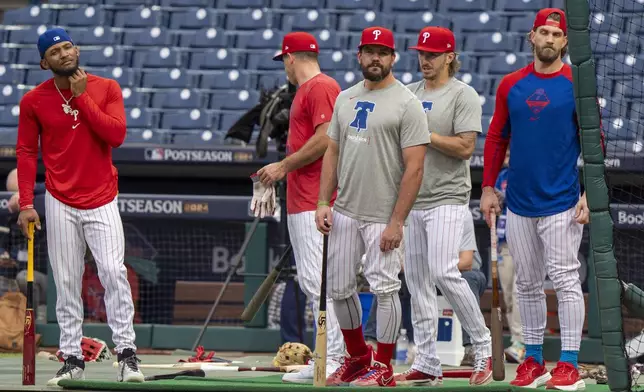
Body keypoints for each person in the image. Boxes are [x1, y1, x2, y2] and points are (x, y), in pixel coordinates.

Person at [15, 28, 144, 386]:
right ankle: (72, 357)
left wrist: (82, 98)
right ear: (44, 62)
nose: (64, 53)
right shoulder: (33, 100)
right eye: (55, 51)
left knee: (113, 273)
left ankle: (127, 355)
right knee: (67, 279)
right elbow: (26, 152)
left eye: (67, 46)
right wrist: (27, 202)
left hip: (102, 196)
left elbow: (115, 135)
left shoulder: (106, 88)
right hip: (59, 199)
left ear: (78, 49)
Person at [480, 8, 592, 391]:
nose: (549, 39)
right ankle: (532, 359)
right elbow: (496, 137)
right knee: (526, 283)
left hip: (562, 200)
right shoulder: (511, 84)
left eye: (556, 34)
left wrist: (590, 193)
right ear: (532, 37)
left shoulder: (578, 83)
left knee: (565, 280)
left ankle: (571, 364)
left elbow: (595, 142)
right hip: (519, 202)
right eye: (542, 32)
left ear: (564, 41)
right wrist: (488, 187)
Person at [315, 26, 429, 387]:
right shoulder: (344, 98)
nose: (375, 58)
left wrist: (398, 221)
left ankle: (383, 366)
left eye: (383, 52)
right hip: (346, 210)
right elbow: (332, 151)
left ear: (393, 58)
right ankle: (358, 357)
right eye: (369, 51)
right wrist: (322, 201)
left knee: (385, 289)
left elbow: (416, 168)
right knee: (338, 288)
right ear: (359, 55)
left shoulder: (407, 102)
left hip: (384, 214)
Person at [396, 26, 492, 387]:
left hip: (448, 197)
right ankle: (427, 360)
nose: (425, 59)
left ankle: (482, 346)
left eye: (433, 54)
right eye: (421, 53)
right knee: (417, 281)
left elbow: (466, 147)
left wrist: (425, 133)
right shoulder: (408, 93)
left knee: (444, 272)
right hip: (413, 198)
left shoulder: (463, 94)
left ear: (449, 56)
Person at [252, 31, 345, 384]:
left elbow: (326, 138)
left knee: (322, 284)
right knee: (314, 282)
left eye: (284, 61)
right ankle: (330, 357)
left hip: (316, 200)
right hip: (303, 198)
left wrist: (283, 166)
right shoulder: (308, 90)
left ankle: (333, 359)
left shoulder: (320, 86)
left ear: (291, 58)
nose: (285, 69)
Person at [494, 149, 526, 363]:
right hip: (504, 242)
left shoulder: (525, 172)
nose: (506, 153)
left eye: (510, 150)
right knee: (507, 295)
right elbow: (495, 207)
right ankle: (516, 341)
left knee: (519, 292)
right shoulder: (501, 177)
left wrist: (507, 197)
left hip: (524, 240)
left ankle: (522, 343)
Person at [458, 209, 488, 367]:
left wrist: (436, 268)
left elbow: (466, 263)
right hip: (435, 276)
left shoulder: (462, 213)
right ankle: (374, 341)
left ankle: (471, 348)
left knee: (467, 280)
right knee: (405, 280)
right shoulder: (417, 212)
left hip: (466, 273)